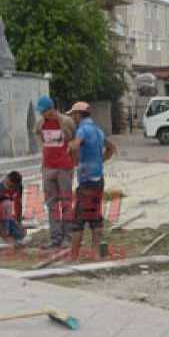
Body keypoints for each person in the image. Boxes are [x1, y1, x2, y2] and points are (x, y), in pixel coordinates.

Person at [66, 102, 118, 260]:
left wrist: (72, 156)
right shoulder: (98, 130)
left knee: (78, 219)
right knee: (95, 216)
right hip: (98, 179)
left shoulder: (82, 130)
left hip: (86, 180)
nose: (72, 118)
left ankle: (73, 256)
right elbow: (111, 147)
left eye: (73, 115)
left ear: (78, 115)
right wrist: (99, 161)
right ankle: (95, 253)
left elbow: (75, 146)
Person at [34, 95, 76, 248]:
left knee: (66, 202)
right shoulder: (40, 124)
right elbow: (40, 139)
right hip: (48, 167)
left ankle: (68, 237)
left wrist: (73, 162)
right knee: (51, 204)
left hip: (64, 167)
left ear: (51, 109)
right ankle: (55, 237)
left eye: (43, 111)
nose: (41, 114)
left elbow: (74, 141)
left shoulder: (66, 122)